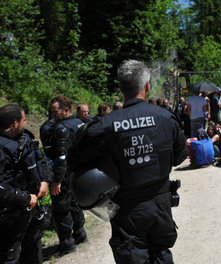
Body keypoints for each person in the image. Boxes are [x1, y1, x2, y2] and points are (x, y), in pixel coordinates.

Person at [68, 60, 188, 264]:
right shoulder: (166, 118)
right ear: (147, 86)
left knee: (132, 257)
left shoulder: (104, 125)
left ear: (121, 88)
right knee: (162, 253)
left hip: (127, 209)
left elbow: (75, 161)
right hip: (161, 203)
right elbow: (179, 156)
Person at [0, 104, 51, 263]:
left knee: (33, 250)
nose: (26, 123)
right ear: (14, 124)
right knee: (11, 255)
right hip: (8, 215)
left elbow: (40, 159)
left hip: (30, 210)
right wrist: (25, 198)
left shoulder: (25, 138)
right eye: (23, 120)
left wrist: (45, 180)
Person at [48, 96, 87, 256]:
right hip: (78, 171)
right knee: (74, 203)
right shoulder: (79, 123)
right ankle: (80, 234)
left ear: (65, 110)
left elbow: (61, 156)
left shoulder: (62, 128)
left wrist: (57, 180)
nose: (52, 114)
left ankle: (67, 243)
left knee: (61, 209)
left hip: (65, 174)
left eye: (55, 111)